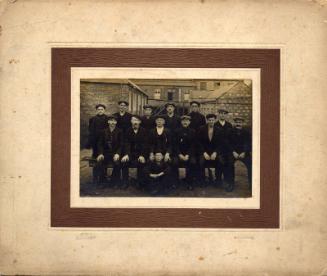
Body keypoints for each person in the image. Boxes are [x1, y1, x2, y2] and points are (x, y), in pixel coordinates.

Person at [121, 115, 148, 189]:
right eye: (133, 120)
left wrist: (142, 155)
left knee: (141, 162)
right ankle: (125, 182)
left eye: (136, 120)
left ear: (140, 122)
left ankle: (140, 182)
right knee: (124, 162)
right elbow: (126, 144)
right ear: (131, 122)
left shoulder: (144, 131)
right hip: (131, 153)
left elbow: (145, 145)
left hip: (140, 154)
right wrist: (127, 154)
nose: (135, 122)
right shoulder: (128, 130)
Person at [197, 113, 225, 186]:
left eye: (212, 120)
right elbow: (199, 142)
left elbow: (221, 144)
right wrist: (204, 152)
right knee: (200, 161)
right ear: (207, 120)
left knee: (221, 161)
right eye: (209, 120)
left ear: (215, 120)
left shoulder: (219, 130)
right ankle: (202, 180)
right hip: (205, 152)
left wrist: (215, 152)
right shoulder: (201, 128)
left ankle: (218, 179)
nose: (211, 122)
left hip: (215, 152)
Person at [96, 115, 123, 187]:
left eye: (114, 121)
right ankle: (103, 181)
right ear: (108, 122)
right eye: (111, 121)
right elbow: (100, 144)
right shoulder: (103, 131)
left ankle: (114, 181)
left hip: (115, 153)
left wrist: (117, 154)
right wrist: (101, 153)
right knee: (100, 162)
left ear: (116, 122)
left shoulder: (120, 131)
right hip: (106, 153)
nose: (112, 122)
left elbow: (121, 145)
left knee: (117, 163)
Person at [228, 117, 252, 192]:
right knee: (229, 164)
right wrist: (233, 151)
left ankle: (251, 184)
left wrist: (244, 152)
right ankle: (231, 184)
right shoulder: (230, 131)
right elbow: (228, 143)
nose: (238, 124)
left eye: (240, 122)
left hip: (244, 153)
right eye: (237, 122)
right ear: (234, 123)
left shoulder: (247, 132)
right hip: (233, 153)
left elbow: (248, 143)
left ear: (242, 123)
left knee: (251, 165)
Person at [173, 115, 197, 190]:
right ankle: (175, 182)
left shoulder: (193, 131)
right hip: (178, 153)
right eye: (183, 121)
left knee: (193, 162)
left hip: (189, 154)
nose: (185, 122)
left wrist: (187, 155)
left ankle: (189, 182)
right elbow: (175, 145)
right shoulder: (176, 131)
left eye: (187, 121)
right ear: (181, 122)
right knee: (174, 162)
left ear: (189, 122)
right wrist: (179, 154)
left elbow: (193, 145)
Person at [86, 104, 108, 182]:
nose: (100, 110)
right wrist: (90, 142)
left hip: (104, 142)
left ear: (104, 110)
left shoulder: (107, 118)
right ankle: (95, 177)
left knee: (103, 158)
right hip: (95, 142)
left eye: (102, 109)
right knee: (95, 159)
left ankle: (103, 177)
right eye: (98, 109)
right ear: (96, 110)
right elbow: (90, 131)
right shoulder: (92, 119)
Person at [188, 101, 206, 184]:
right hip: (190, 140)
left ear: (198, 107)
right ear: (191, 107)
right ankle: (190, 178)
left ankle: (200, 179)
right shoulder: (188, 116)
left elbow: (204, 128)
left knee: (200, 160)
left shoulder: (202, 117)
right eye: (193, 106)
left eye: (196, 106)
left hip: (199, 140)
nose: (194, 107)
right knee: (191, 160)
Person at [215, 108, 233, 187]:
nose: (222, 115)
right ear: (218, 114)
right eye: (221, 113)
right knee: (219, 163)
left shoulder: (229, 125)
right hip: (218, 149)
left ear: (226, 115)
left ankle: (228, 181)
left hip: (227, 149)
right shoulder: (215, 124)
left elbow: (231, 139)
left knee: (229, 163)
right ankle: (218, 180)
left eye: (224, 113)